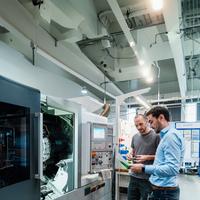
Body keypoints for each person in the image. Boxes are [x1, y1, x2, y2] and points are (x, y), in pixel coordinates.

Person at [131, 106, 185, 200]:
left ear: (161, 118)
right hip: (161, 190)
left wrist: (143, 168)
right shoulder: (166, 136)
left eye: (151, 122)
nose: (151, 126)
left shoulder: (170, 137)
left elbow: (172, 169)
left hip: (165, 192)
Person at [127, 114, 160, 200]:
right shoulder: (135, 137)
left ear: (147, 121)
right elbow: (134, 151)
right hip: (134, 177)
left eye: (141, 124)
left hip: (148, 179)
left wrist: (148, 157)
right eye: (136, 125)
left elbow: (162, 157)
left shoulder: (156, 136)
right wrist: (130, 155)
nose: (138, 127)